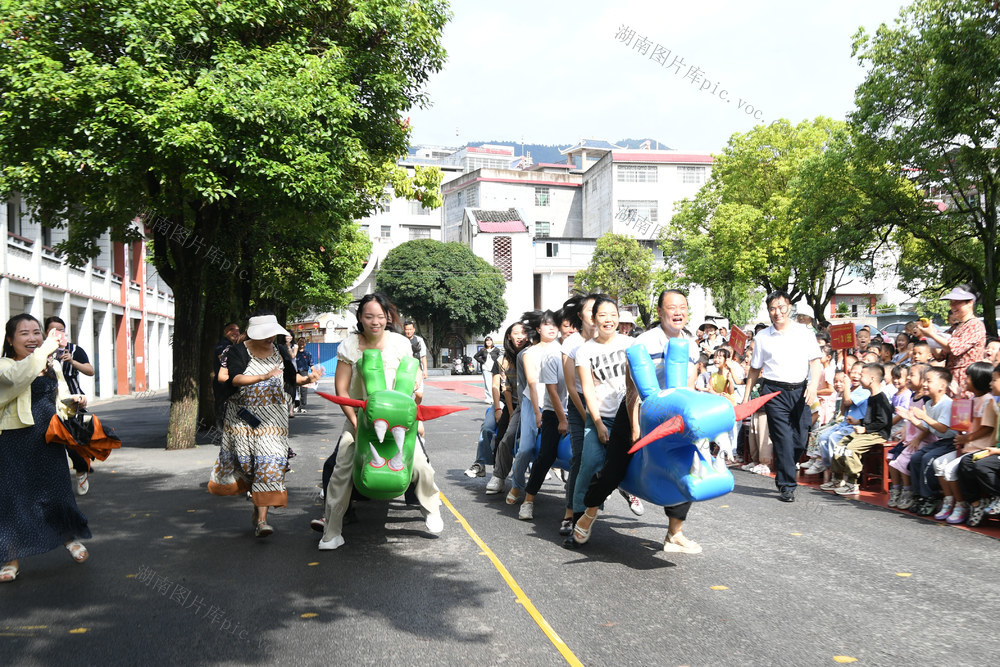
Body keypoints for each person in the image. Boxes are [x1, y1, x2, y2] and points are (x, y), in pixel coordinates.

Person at [571, 289, 703, 553]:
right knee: (614, 469)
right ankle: (589, 512)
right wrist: (634, 424)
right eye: (672, 307)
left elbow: (689, 385)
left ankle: (675, 533)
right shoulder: (644, 342)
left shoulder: (691, 345)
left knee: (686, 467)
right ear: (660, 312)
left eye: (683, 307)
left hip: (672, 416)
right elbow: (631, 387)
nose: (678, 312)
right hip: (637, 411)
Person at [318, 295, 444, 550]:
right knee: (342, 469)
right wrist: (355, 423)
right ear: (360, 318)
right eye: (368, 316)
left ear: (388, 317)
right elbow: (342, 391)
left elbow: (413, 381)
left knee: (420, 464)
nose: (375, 322)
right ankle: (331, 532)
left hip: (399, 422)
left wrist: (415, 410)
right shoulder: (349, 346)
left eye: (380, 316)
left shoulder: (400, 343)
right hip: (361, 419)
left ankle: (431, 509)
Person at [209, 312, 324, 538]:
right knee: (249, 466)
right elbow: (235, 379)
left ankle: (262, 520)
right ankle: (257, 506)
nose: (271, 338)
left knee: (269, 463)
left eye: (273, 334)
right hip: (244, 418)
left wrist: (308, 379)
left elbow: (291, 378)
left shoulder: (280, 351)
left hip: (274, 420)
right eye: (266, 334)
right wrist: (263, 376)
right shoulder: (238, 351)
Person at [1, 314, 90, 583]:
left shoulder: (51, 365)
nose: (32, 338)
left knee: (56, 491)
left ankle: (68, 538)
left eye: (36, 332)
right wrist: (46, 349)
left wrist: (74, 403)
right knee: (14, 499)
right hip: (13, 440)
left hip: (49, 437)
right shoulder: (6, 366)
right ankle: (11, 557)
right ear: (10, 340)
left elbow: (59, 400)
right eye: (24, 333)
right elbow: (18, 379)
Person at [742, 290, 822, 502]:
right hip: (774, 391)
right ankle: (787, 485)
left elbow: (815, 361)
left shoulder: (804, 332)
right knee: (783, 438)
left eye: (781, 307)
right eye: (772, 309)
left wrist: (813, 385)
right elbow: (755, 369)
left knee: (800, 438)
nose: (777, 312)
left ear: (790, 307)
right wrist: (746, 397)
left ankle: (785, 467)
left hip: (801, 391)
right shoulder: (762, 337)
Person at [929, 361, 996, 523]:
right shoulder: (972, 399)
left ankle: (964, 504)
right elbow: (961, 422)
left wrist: (966, 438)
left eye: (968, 377)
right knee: (939, 464)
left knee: (950, 469)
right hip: (967, 447)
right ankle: (950, 501)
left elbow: (987, 428)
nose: (965, 380)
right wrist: (959, 399)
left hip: (979, 448)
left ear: (978, 380)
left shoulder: (988, 401)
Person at [43, 316, 95, 495]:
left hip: (73, 402)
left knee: (73, 442)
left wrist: (72, 361)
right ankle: (55, 484)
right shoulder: (40, 351)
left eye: (61, 330)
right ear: (46, 333)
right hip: (49, 403)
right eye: (53, 330)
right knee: (54, 442)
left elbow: (90, 371)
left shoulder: (74, 350)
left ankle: (81, 469)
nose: (58, 333)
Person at [825, 363, 893, 495]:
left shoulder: (881, 398)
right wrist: (858, 421)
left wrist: (865, 429)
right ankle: (837, 478)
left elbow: (882, 422)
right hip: (868, 431)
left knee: (851, 448)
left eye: (862, 375)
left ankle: (852, 483)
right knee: (840, 446)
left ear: (872, 379)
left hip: (877, 434)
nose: (859, 377)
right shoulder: (871, 396)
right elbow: (872, 418)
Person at [917, 287, 986, 398]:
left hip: (967, 381)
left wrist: (932, 335)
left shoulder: (975, 325)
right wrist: (930, 337)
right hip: (952, 381)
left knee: (965, 408)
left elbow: (954, 347)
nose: (952, 306)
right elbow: (940, 356)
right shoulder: (955, 327)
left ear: (970, 303)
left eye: (957, 302)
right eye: (951, 302)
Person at [213, 322, 242, 431]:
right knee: (222, 408)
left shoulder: (234, 346)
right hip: (223, 383)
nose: (235, 332)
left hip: (232, 382)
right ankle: (221, 433)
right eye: (232, 330)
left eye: (237, 330)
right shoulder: (223, 345)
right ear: (225, 332)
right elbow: (223, 359)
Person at [403, 321, 428, 405]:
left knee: (419, 395)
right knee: (406, 395)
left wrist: (425, 370)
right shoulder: (401, 341)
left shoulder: (419, 340)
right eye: (407, 329)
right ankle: (408, 410)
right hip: (405, 371)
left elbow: (423, 356)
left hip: (418, 371)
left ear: (414, 330)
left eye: (410, 329)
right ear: (404, 330)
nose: (408, 331)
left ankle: (414, 408)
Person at [474, 337, 501, 404]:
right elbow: (476, 356)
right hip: (485, 369)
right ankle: (489, 398)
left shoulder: (496, 350)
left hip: (495, 369)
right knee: (488, 384)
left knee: (496, 384)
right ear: (485, 342)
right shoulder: (483, 350)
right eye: (487, 341)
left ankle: (496, 398)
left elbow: (500, 357)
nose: (488, 342)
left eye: (490, 341)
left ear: (492, 342)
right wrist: (482, 361)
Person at [294, 337, 314, 413]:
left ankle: (302, 407)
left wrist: (314, 374)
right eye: (300, 341)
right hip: (295, 372)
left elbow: (311, 365)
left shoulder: (308, 354)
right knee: (295, 390)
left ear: (305, 344)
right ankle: (296, 406)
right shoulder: (295, 353)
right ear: (297, 343)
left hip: (304, 372)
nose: (301, 343)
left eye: (303, 342)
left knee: (304, 390)